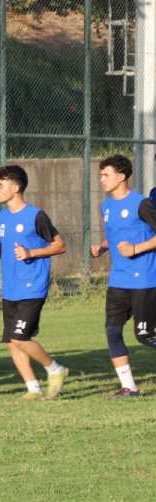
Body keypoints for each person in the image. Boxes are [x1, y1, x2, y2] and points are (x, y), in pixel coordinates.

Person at [0, 165, 69, 400]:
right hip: (10, 289)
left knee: (19, 338)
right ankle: (33, 389)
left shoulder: (36, 215)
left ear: (16, 188)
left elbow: (60, 245)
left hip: (32, 286)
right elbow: (0, 248)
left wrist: (31, 253)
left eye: (0, 185)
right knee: (11, 342)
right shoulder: (2, 217)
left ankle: (55, 370)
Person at [90, 154, 156, 398]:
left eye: (106, 175)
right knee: (112, 331)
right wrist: (103, 246)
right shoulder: (106, 206)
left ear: (121, 176)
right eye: (101, 175)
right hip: (118, 279)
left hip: (145, 279)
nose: (101, 179)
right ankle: (129, 387)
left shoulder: (142, 204)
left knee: (145, 335)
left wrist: (136, 249)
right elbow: (118, 233)